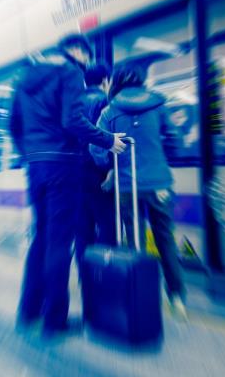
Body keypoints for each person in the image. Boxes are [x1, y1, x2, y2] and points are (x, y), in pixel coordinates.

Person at [10, 33, 127, 339]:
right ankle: (54, 320)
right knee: (60, 242)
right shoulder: (70, 72)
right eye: (86, 56)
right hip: (62, 165)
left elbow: (14, 126)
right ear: (76, 51)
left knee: (41, 237)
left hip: (36, 167)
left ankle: (29, 310)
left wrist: (29, 155)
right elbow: (72, 121)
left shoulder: (24, 78)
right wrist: (108, 140)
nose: (86, 63)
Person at [91, 63, 187, 319]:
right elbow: (176, 139)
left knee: (135, 241)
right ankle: (177, 297)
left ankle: (143, 295)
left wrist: (110, 165)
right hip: (159, 184)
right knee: (165, 239)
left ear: (117, 81)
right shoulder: (159, 105)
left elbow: (96, 148)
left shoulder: (110, 110)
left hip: (127, 186)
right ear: (142, 80)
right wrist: (163, 159)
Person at [78, 64, 116, 265]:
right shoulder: (104, 101)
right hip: (97, 171)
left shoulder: (73, 102)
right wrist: (110, 168)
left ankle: (86, 275)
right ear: (105, 80)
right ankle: (104, 270)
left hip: (75, 172)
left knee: (83, 227)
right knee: (107, 224)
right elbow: (103, 137)